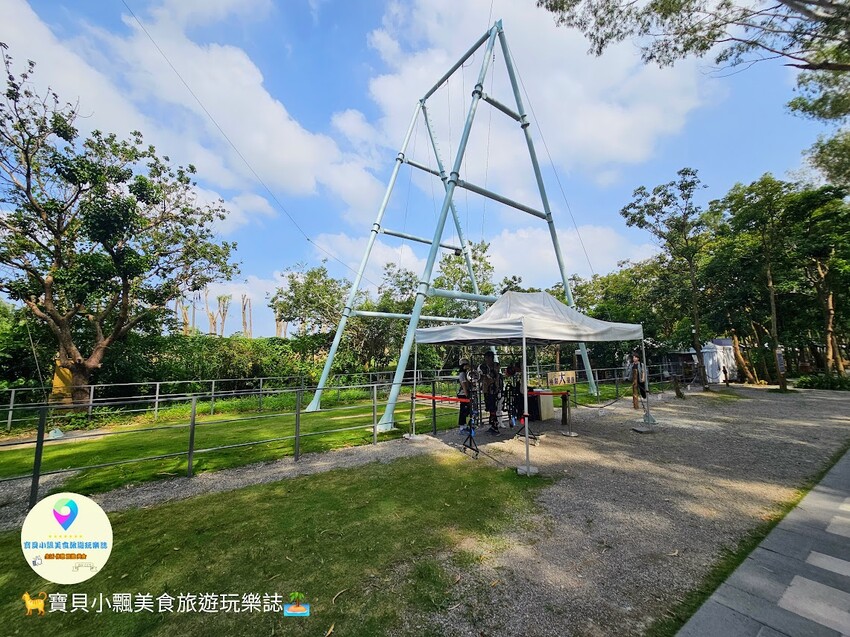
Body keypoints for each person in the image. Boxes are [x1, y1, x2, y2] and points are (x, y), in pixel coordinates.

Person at [479, 350, 501, 434]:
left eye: (488, 358)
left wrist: (487, 372)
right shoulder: (484, 366)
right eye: (486, 358)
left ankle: (495, 427)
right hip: (486, 390)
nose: (487, 360)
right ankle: (492, 425)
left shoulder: (495, 366)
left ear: (491, 358)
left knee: (493, 408)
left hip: (493, 389)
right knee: (489, 407)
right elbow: (481, 377)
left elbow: (494, 376)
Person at [457, 358, 471, 431]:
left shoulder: (466, 374)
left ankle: (464, 425)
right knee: (463, 410)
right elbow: (464, 385)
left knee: (466, 410)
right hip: (463, 394)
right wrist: (467, 394)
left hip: (465, 393)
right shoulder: (462, 374)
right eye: (466, 365)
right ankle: (462, 426)